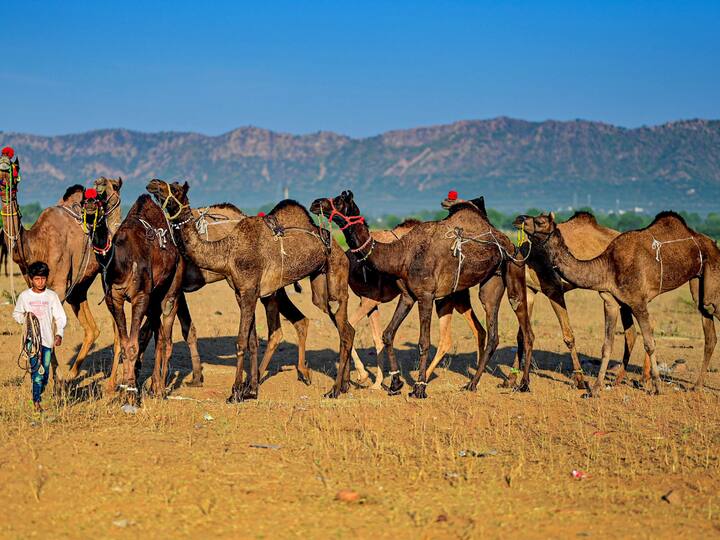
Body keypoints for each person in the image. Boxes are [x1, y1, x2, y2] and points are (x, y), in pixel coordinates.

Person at [12, 261, 67, 412]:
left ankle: (39, 390)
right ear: (31, 279)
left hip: (48, 341)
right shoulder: (25, 296)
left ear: (46, 278)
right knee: (37, 372)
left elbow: (60, 317)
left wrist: (59, 333)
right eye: (37, 279)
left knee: (45, 372)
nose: (40, 282)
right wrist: (26, 319)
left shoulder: (51, 296)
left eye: (43, 278)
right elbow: (16, 313)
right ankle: (36, 402)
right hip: (32, 341)